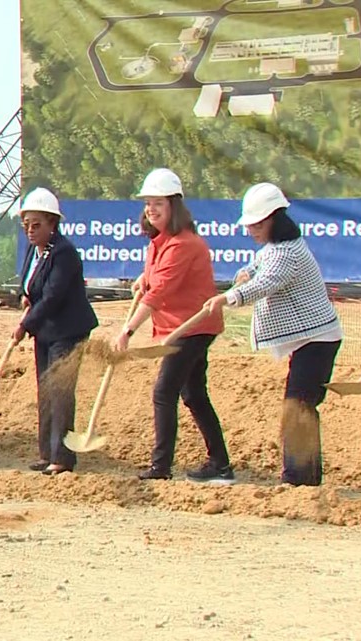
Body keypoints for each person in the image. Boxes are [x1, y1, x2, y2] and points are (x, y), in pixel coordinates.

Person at [204, 182, 342, 487]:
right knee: (300, 405)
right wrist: (244, 274)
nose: (251, 230)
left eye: (256, 224)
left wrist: (227, 298)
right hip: (310, 340)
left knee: (298, 406)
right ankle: (303, 478)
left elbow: (266, 283)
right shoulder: (275, 249)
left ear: (273, 220)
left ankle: (298, 479)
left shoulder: (287, 254)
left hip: (318, 340)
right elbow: (256, 269)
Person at [112, 168, 232, 483]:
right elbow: (154, 278)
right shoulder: (159, 242)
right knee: (193, 395)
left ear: (174, 207)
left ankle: (161, 466)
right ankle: (220, 463)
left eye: (158, 204)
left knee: (164, 391)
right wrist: (143, 277)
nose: (151, 209)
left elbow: (160, 292)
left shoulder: (184, 244)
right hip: (181, 326)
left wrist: (128, 331)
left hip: (192, 326)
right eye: (148, 203)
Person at [15, 187, 98, 475]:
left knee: (60, 391)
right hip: (46, 331)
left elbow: (53, 296)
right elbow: (32, 286)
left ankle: (62, 458)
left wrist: (25, 325)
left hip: (68, 330)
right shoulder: (34, 251)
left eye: (37, 224)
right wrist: (25, 297)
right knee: (45, 390)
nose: (30, 230)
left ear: (53, 223)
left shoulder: (64, 253)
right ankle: (46, 453)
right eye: (26, 224)